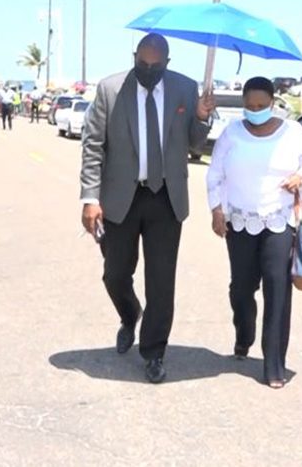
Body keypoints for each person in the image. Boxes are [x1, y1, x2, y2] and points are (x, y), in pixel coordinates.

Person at [80, 33, 214, 384]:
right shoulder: (111, 90)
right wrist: (90, 198)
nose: (148, 70)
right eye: (143, 64)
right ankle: (129, 313)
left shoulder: (185, 89)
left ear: (167, 64)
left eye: (156, 66)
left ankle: (154, 352)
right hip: (120, 197)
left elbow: (195, 145)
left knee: (161, 281)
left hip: (166, 198)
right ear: (134, 57)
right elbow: (93, 144)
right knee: (115, 273)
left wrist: (201, 118)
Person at [206, 77, 302, 389]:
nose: (255, 111)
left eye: (261, 106)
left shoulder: (293, 133)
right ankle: (244, 333)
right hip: (239, 223)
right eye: (249, 106)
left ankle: (274, 364)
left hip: (279, 223)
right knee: (241, 289)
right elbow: (215, 174)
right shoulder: (231, 133)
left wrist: (300, 176)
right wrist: (217, 210)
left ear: (273, 103)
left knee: (278, 289)